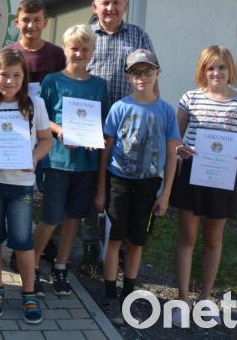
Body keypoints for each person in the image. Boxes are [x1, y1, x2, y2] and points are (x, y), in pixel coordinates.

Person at [169, 46, 237, 327]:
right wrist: (180, 149)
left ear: (230, 70)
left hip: (224, 175)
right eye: (210, 68)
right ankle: (182, 298)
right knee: (187, 238)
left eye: (221, 67)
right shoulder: (190, 98)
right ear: (202, 70)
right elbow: (176, 137)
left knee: (214, 240)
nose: (216, 73)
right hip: (193, 173)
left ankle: (205, 298)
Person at [94, 48, 180, 325]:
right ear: (128, 77)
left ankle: (127, 295)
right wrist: (101, 189)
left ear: (157, 73)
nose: (142, 77)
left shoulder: (166, 112)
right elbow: (105, 152)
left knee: (136, 242)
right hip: (119, 181)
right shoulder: (120, 108)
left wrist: (165, 194)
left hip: (148, 185)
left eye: (147, 72)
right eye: (136, 73)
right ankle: (109, 296)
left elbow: (172, 156)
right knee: (114, 239)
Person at [0, 48, 53, 324]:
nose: (10, 81)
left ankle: (28, 291)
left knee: (23, 239)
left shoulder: (35, 104)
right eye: (4, 75)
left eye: (16, 75)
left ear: (24, 76)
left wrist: (33, 159)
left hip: (22, 185)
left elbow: (46, 140)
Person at [83, 0, 156, 268]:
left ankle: (119, 244)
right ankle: (90, 242)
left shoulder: (138, 35)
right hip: (90, 126)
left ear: (125, 6)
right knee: (92, 185)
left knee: (121, 187)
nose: (111, 8)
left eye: (117, 3)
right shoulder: (86, 36)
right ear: (95, 6)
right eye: (105, 3)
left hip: (129, 130)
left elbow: (152, 77)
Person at [33, 25, 108, 297]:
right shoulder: (52, 81)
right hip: (57, 161)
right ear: (65, 49)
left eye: (85, 49)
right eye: (74, 48)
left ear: (92, 52)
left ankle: (61, 266)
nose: (79, 53)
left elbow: (101, 124)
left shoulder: (99, 85)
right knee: (51, 216)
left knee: (74, 217)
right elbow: (40, 119)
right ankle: (32, 265)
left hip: (86, 163)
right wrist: (60, 130)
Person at [5, 0, 66, 272]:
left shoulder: (56, 54)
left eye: (37, 20)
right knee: (20, 192)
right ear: (17, 23)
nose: (31, 25)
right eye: (25, 20)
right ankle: (19, 246)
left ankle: (42, 243)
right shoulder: (9, 52)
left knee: (46, 194)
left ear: (45, 22)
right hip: (15, 135)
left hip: (47, 132)